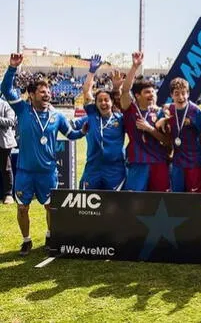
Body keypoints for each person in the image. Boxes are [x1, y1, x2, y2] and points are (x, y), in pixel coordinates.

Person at [1, 53, 85, 255]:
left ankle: (49, 235)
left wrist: (82, 131)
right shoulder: (22, 109)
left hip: (48, 172)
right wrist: (12, 68)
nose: (47, 94)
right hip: (25, 172)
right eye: (42, 92)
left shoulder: (56, 116)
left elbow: (71, 134)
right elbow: (5, 89)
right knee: (22, 208)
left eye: (48, 91)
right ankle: (26, 240)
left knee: (50, 208)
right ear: (31, 94)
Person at [120, 52, 171, 192]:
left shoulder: (160, 113)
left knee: (160, 201)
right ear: (137, 95)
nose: (152, 94)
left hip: (159, 162)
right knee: (134, 201)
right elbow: (125, 90)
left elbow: (167, 141)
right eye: (147, 92)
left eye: (153, 92)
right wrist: (134, 67)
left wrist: (150, 129)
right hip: (138, 162)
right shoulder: (130, 110)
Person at [78, 55, 126, 190]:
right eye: (100, 100)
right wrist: (92, 71)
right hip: (93, 168)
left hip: (115, 169)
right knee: (87, 206)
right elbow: (86, 91)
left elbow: (125, 103)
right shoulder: (92, 114)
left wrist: (117, 88)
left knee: (115, 206)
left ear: (111, 102)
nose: (103, 103)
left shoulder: (120, 119)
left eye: (106, 100)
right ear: (96, 103)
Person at [157, 78, 201, 193]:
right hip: (177, 160)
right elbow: (158, 125)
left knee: (195, 195)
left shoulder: (196, 111)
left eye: (184, 93)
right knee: (177, 194)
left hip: (194, 160)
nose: (180, 97)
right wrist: (162, 121)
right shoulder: (167, 110)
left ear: (188, 93)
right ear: (171, 95)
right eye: (176, 94)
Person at [0, 96, 17, 204]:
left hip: (3, 142)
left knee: (6, 168)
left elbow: (11, 121)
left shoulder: (5, 105)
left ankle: (8, 194)